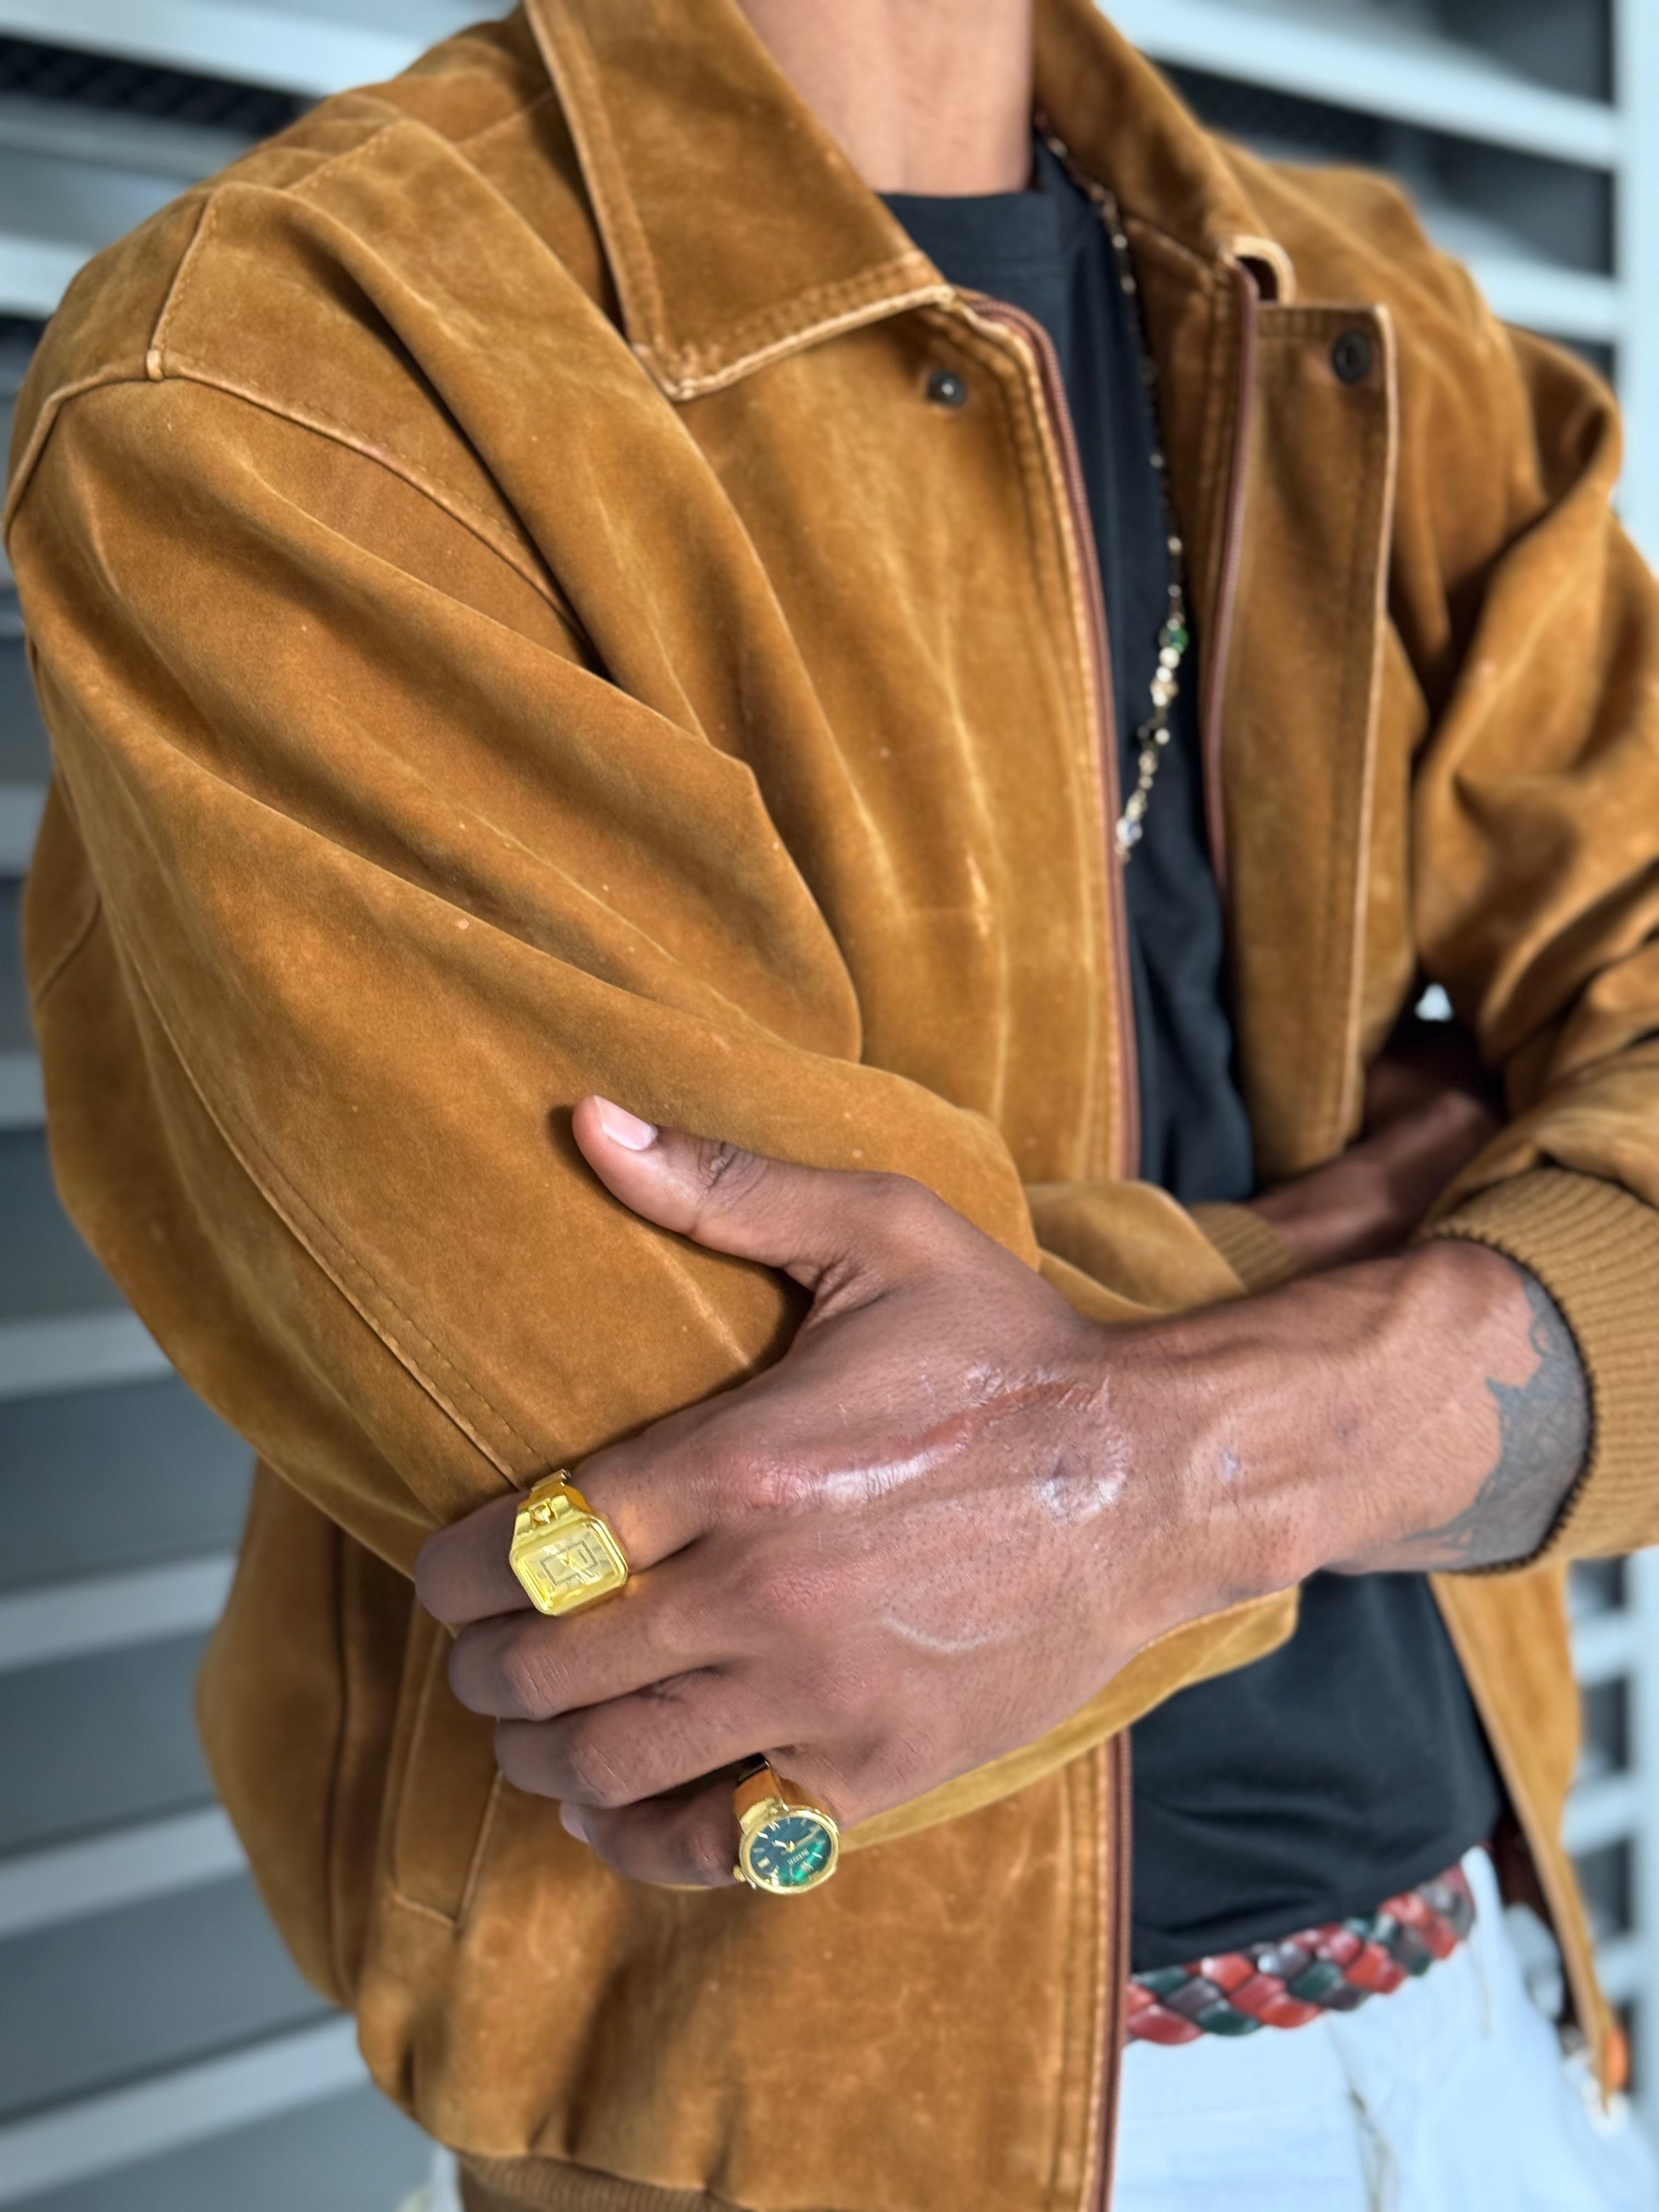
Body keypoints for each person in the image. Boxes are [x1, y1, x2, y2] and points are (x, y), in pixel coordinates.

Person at [9, 1, 1659, 2205]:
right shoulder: (297, 356)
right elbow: (732, 1490)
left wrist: (1170, 1461)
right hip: (803, 2138)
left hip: (1501, 2038)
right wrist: (1424, 1241)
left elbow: (922, 1476)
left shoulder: (1366, 314)